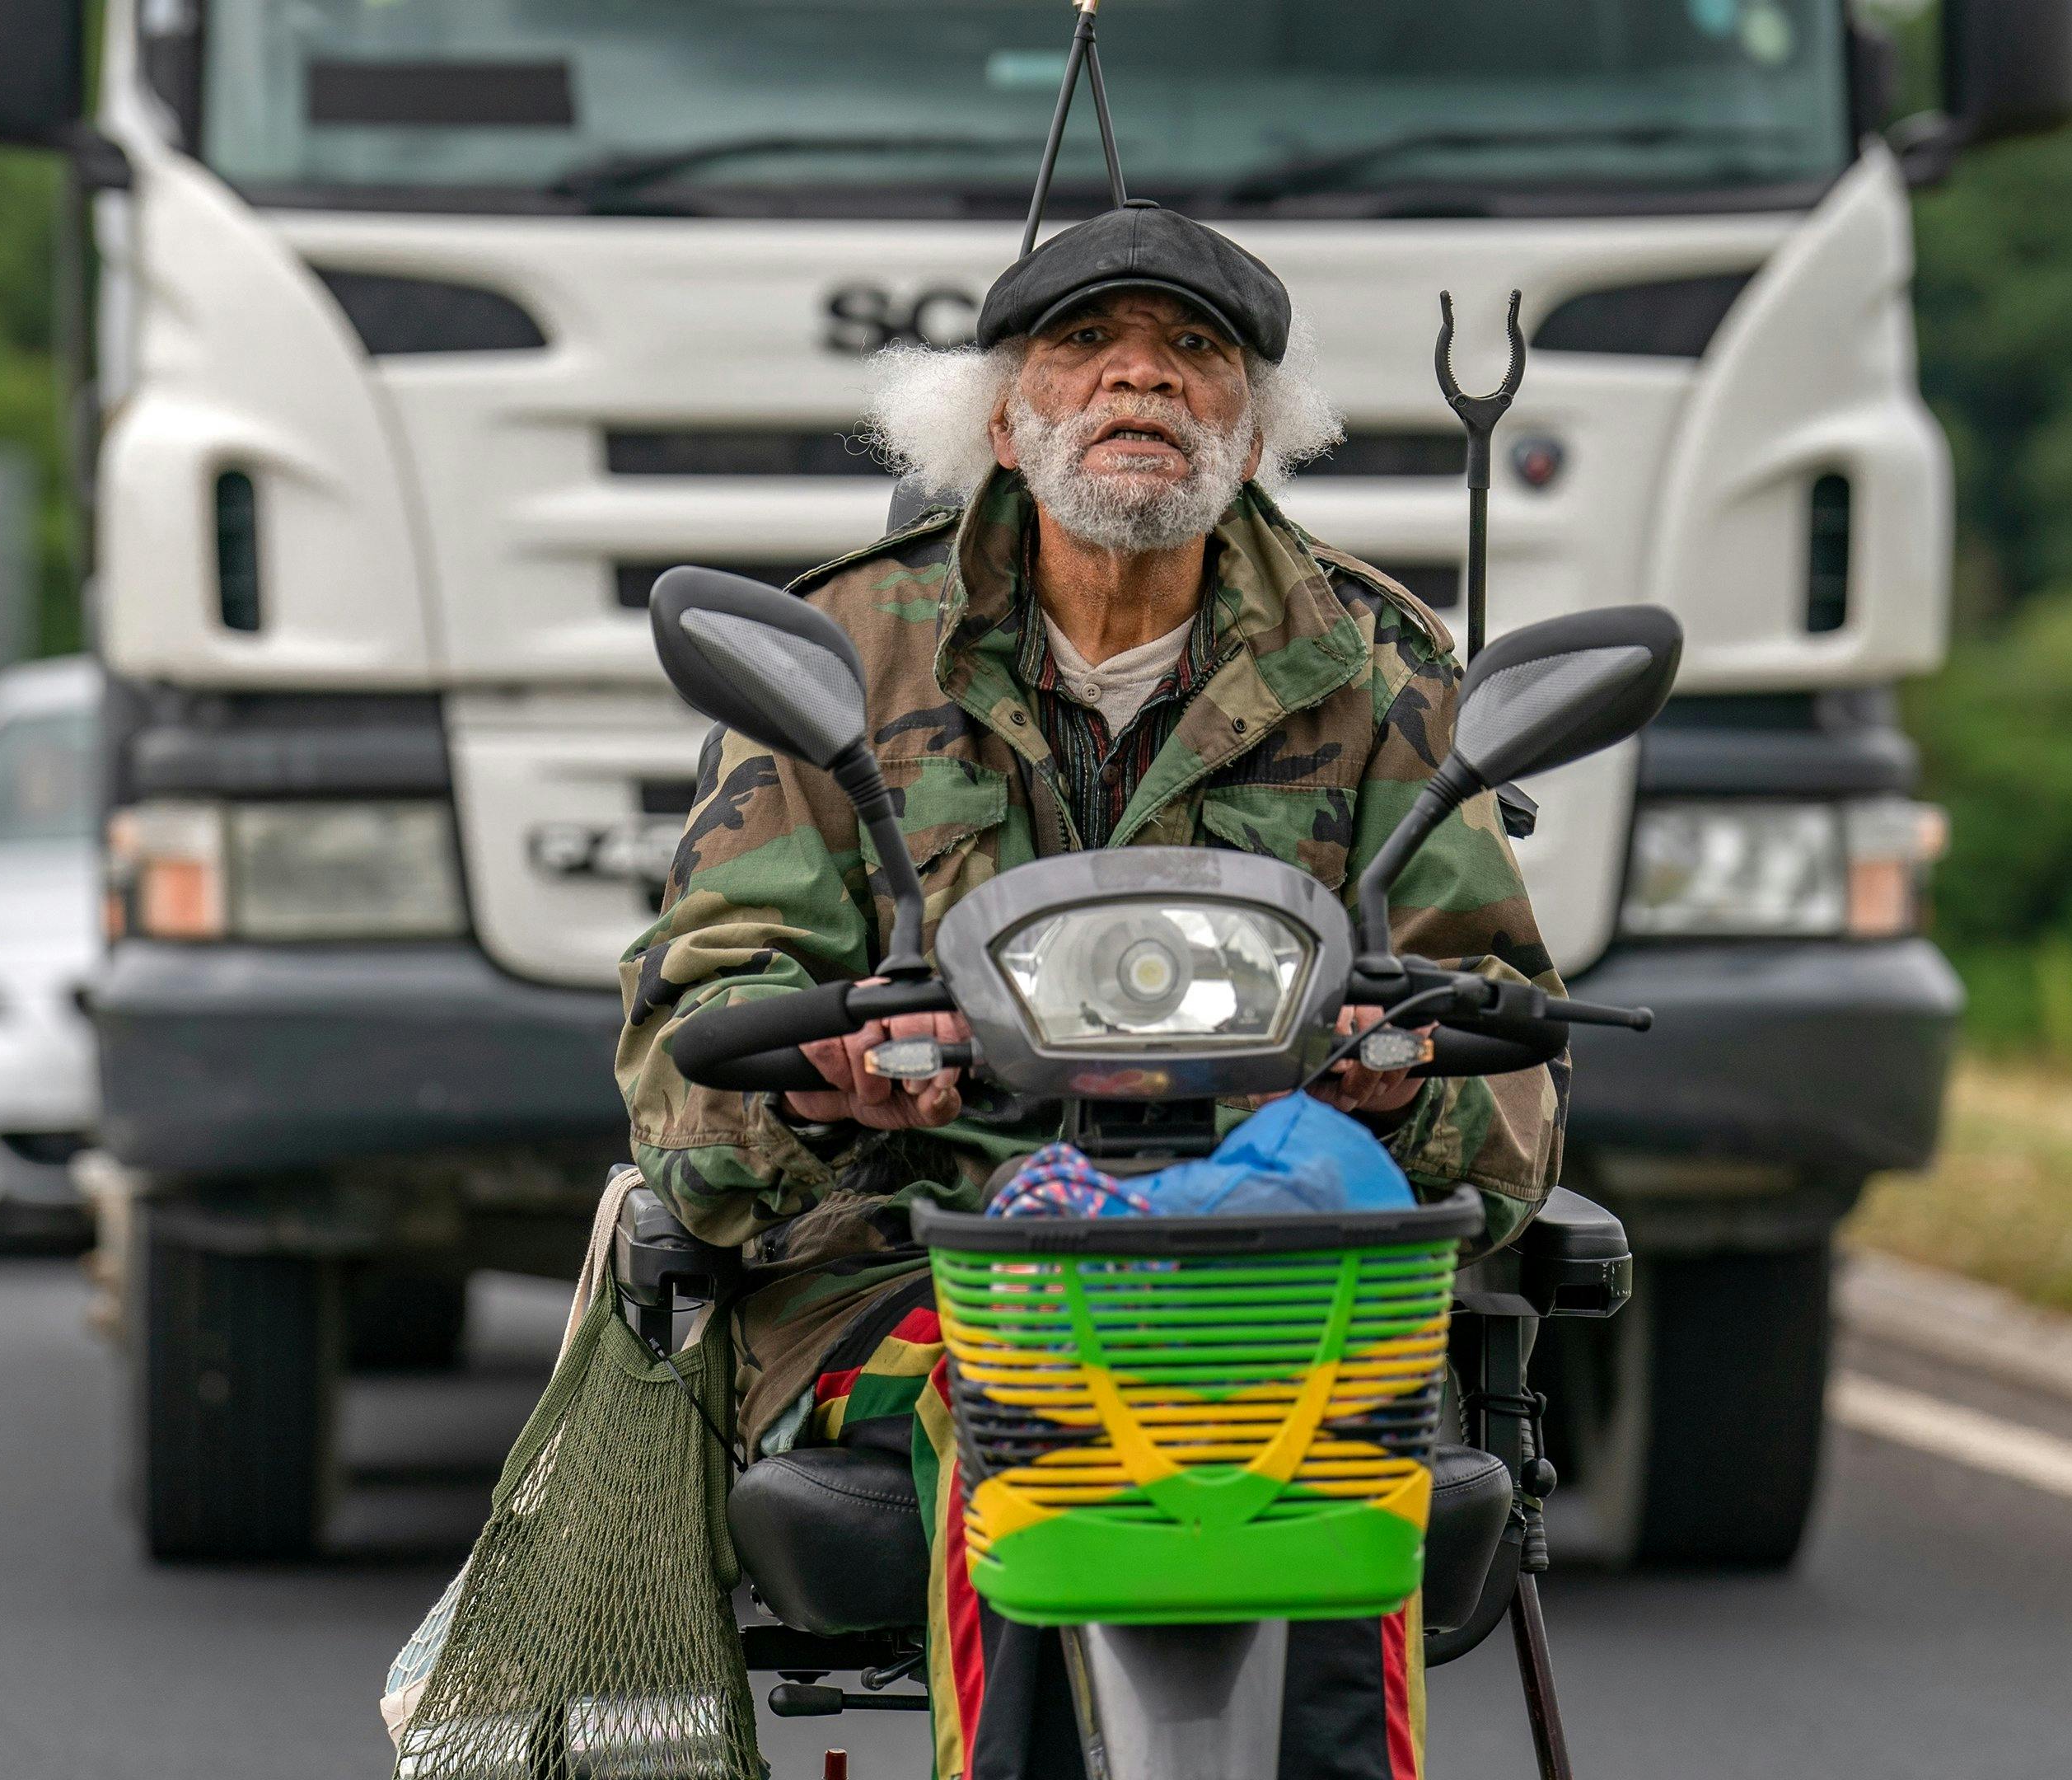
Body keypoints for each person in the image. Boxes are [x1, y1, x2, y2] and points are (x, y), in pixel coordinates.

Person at [614, 201, 1565, 1780]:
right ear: (1001, 416)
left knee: (1329, 1433)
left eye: (1195, 350)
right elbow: (688, 1037)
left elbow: (1512, 1067)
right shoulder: (839, 650)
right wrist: (830, 1083)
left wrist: (1405, 1077)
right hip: (920, 1269)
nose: (1142, 377)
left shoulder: (1382, 661)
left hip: (1279, 1273)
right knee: (1033, 1403)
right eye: (1085, 344)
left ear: (1255, 427)